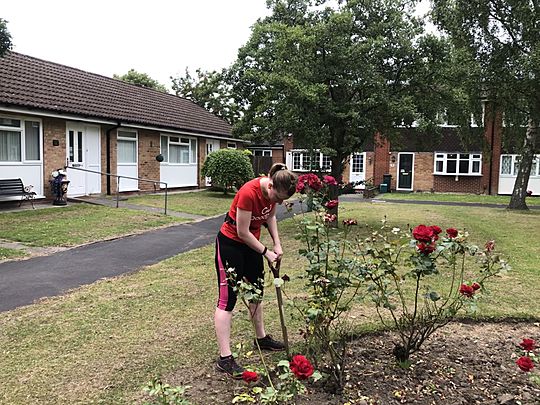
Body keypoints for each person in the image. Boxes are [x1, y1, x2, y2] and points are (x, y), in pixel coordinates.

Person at [214, 163, 297, 378]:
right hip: (231, 245)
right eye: (278, 198)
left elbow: (270, 217)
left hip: (253, 246)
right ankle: (225, 358)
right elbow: (242, 232)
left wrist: (277, 244)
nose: (278, 202)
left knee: (257, 292)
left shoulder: (274, 192)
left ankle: (261, 338)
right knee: (228, 299)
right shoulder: (248, 193)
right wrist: (266, 252)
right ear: (270, 186)